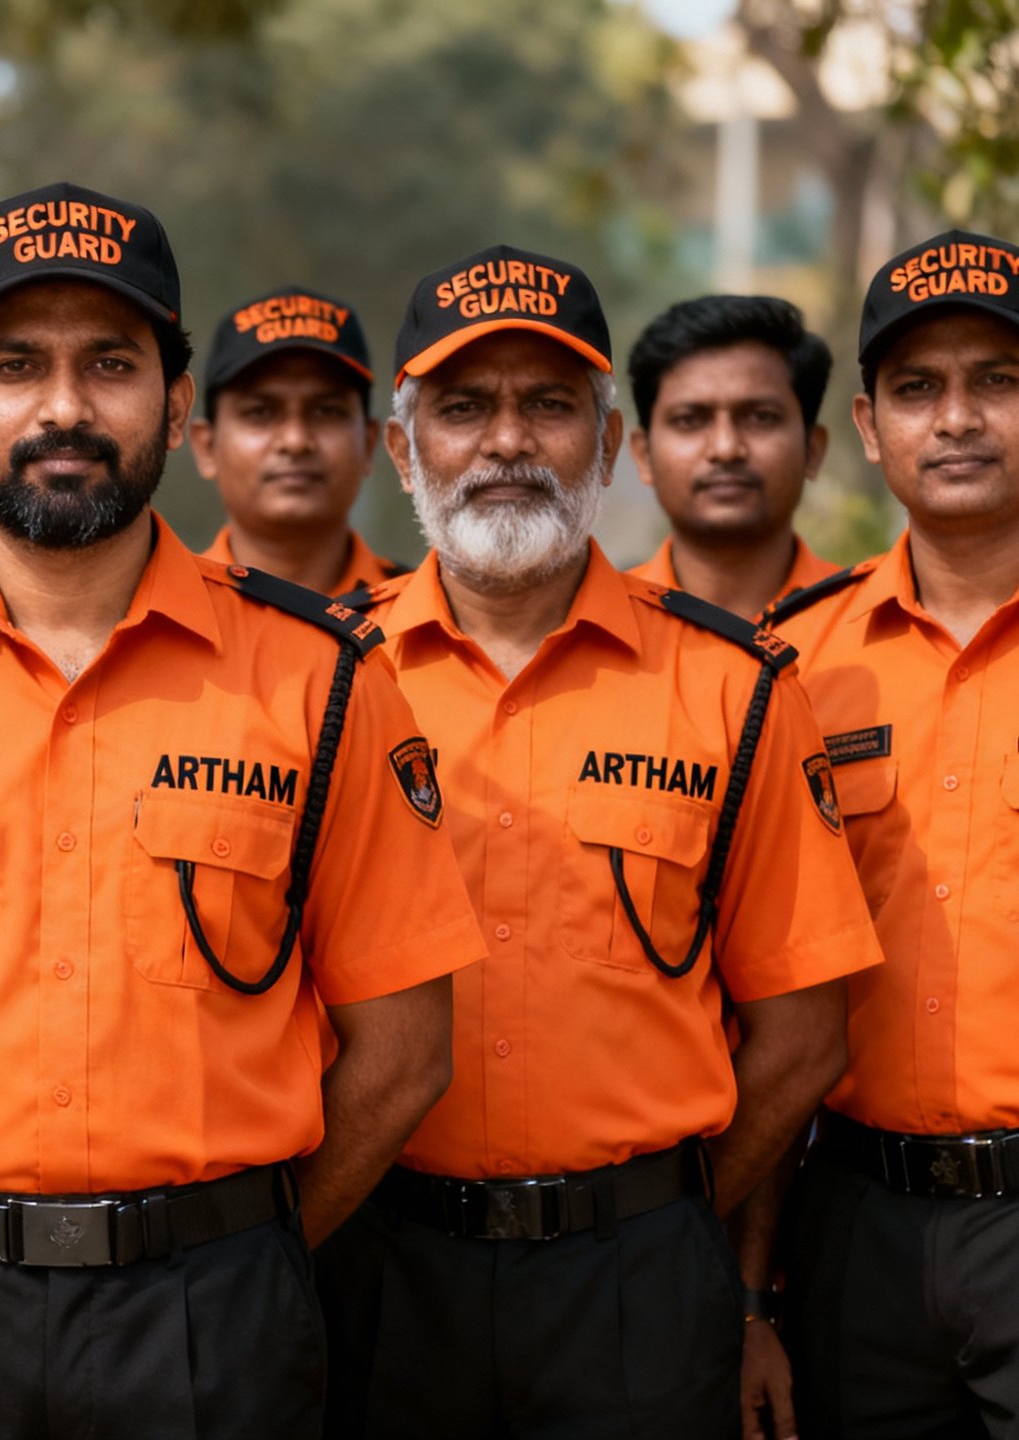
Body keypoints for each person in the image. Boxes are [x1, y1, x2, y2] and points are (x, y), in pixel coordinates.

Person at [0, 180, 485, 1439]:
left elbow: (405, 1050)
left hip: (212, 1322)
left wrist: (242, 1249)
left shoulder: (325, 680)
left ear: (173, 401)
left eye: (110, 363)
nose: (62, 407)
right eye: (15, 366)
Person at [313, 243, 881, 1439]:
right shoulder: (316, 677)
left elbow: (802, 1030)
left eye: (550, 405)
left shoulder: (739, 687)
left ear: (609, 447)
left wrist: (662, 1218)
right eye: (463, 408)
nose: (508, 441)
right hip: (377, 1270)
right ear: (403, 450)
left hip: (639, 1291)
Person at [764, 228, 1019, 1437]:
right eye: (919, 389)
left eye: (999, 382)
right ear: (867, 429)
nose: (958, 418)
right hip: (854, 1220)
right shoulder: (794, 666)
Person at [626, 294, 839, 621]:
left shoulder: (872, 629)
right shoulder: (598, 631)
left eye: (761, 417)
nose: (725, 449)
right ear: (644, 455)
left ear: (812, 449)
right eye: (689, 419)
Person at [190, 284, 403, 599]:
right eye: (260, 412)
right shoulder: (164, 615)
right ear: (206, 447)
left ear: (370, 443)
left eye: (327, 411)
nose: (295, 440)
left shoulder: (427, 618)